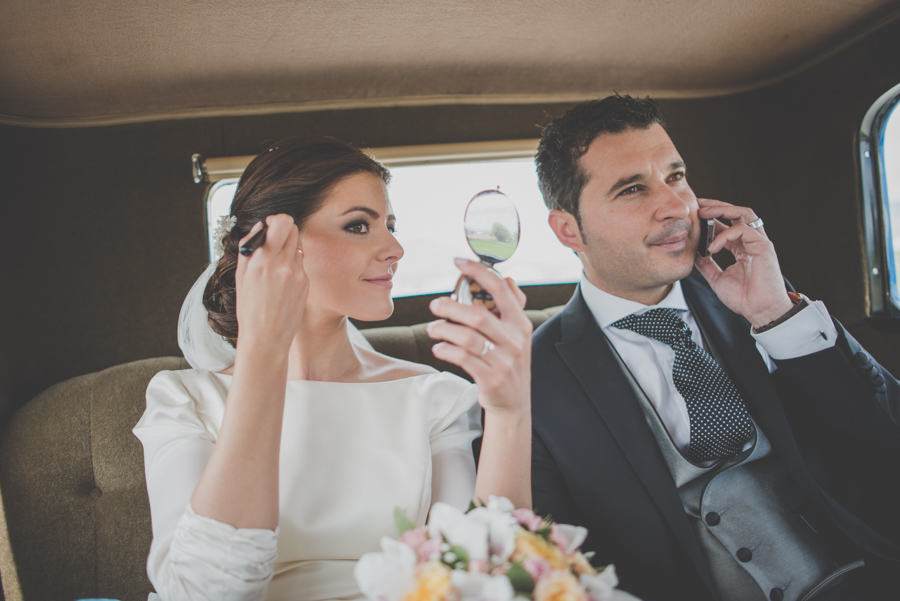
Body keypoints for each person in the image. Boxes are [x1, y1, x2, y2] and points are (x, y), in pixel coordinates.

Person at [529, 94, 900, 601]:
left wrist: (776, 318)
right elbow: (547, 564)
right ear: (568, 229)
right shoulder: (536, 375)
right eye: (633, 189)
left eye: (676, 176)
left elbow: (886, 440)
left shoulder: (762, 297)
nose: (676, 206)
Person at [133, 137, 533, 601]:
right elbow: (202, 592)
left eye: (391, 225)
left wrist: (509, 413)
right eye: (360, 226)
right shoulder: (183, 400)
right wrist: (263, 352)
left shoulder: (435, 397)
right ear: (278, 243)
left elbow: (483, 579)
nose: (395, 248)